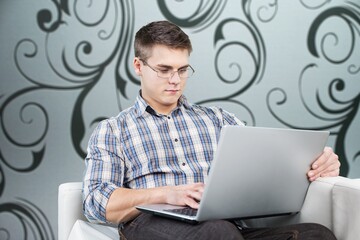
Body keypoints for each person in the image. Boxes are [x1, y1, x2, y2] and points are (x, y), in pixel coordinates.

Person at [83, 20, 340, 239]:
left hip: (225, 228)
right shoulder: (113, 130)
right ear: (139, 66)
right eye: (164, 70)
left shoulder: (218, 120)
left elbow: (266, 167)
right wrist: (168, 194)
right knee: (218, 232)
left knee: (316, 234)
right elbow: (96, 203)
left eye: (182, 70)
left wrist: (315, 165)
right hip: (150, 224)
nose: (175, 80)